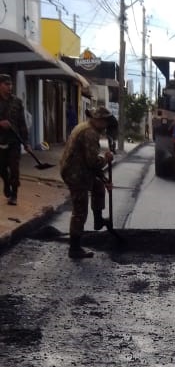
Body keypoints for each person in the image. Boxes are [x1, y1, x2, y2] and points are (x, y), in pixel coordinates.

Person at [59, 106, 114, 259]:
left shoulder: (85, 126)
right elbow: (93, 162)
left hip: (79, 169)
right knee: (80, 210)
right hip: (75, 174)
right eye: (104, 121)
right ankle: (75, 248)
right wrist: (106, 159)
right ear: (98, 120)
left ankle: (98, 220)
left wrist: (104, 179)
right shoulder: (90, 133)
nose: (106, 125)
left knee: (98, 186)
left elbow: (90, 164)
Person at [0, 73, 29, 207]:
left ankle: (14, 195)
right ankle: (6, 183)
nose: (9, 87)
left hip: (14, 141)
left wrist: (26, 142)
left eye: (10, 84)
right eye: (6, 84)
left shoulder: (17, 102)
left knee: (14, 168)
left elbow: (22, 123)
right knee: (1, 168)